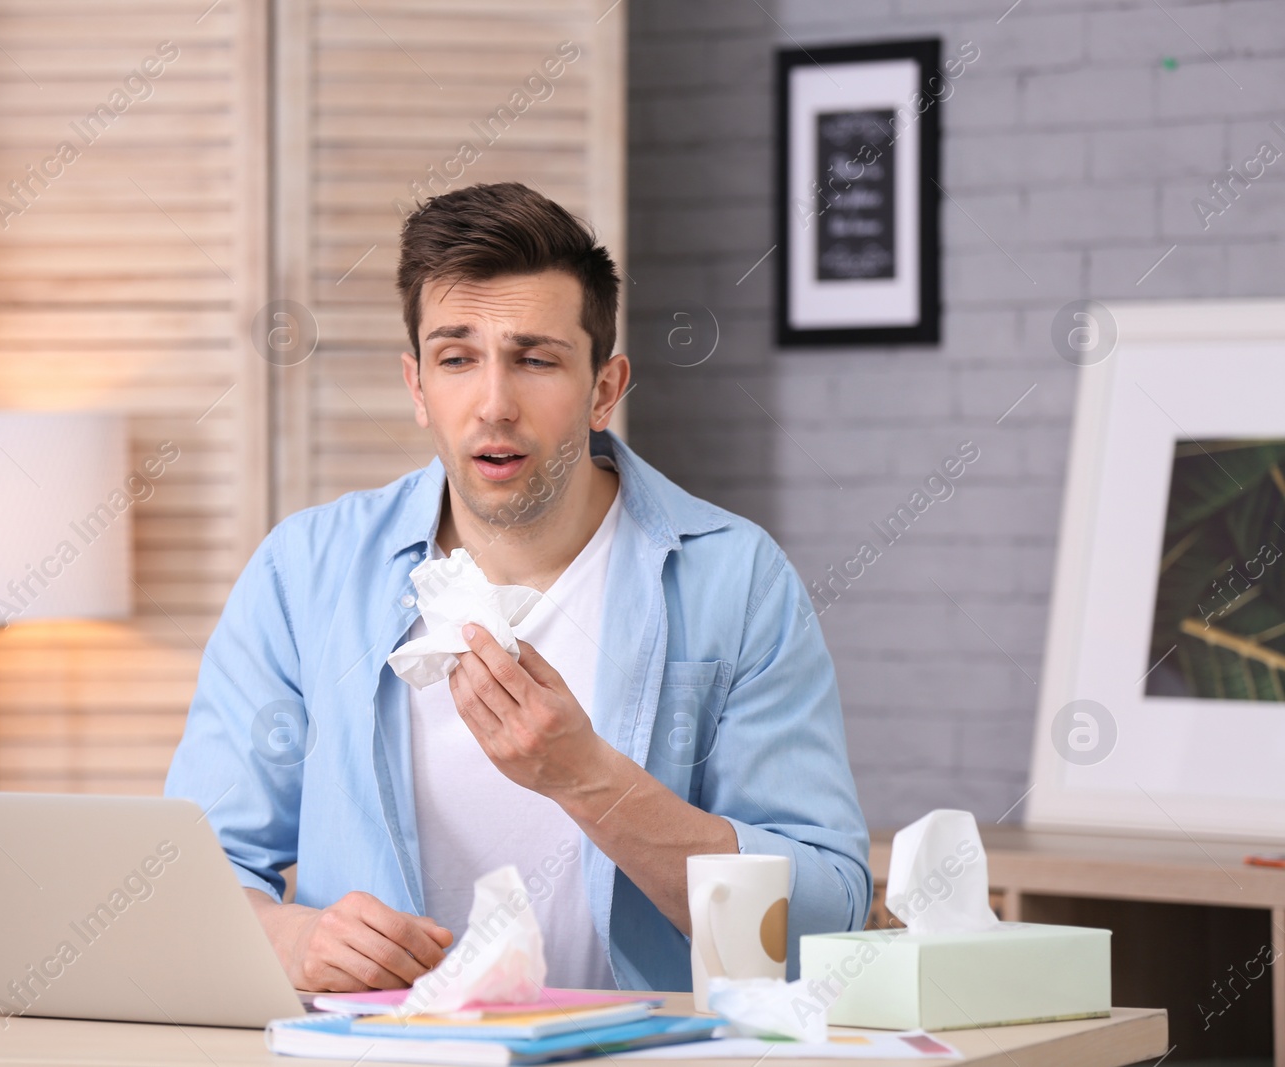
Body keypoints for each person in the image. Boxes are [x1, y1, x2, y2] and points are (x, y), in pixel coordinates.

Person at [165, 181, 871, 994]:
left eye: (535, 359)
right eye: (457, 358)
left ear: (605, 388)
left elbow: (826, 919)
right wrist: (294, 940)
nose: (494, 404)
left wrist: (588, 779)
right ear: (417, 384)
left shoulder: (736, 580)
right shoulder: (302, 574)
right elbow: (197, 874)